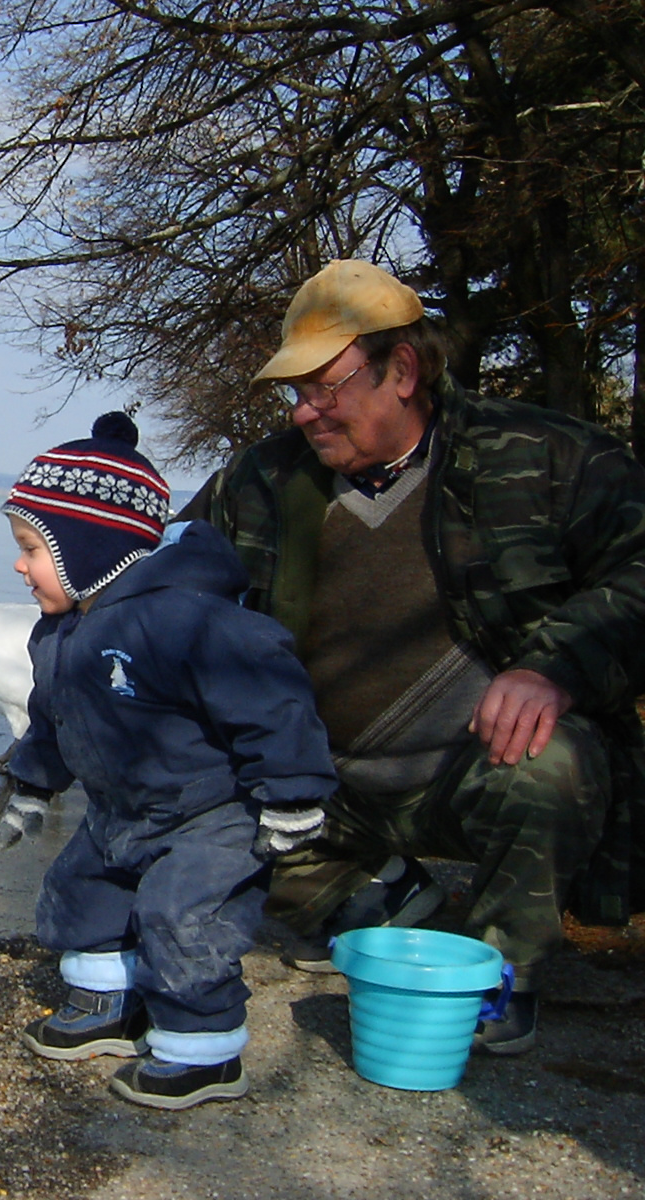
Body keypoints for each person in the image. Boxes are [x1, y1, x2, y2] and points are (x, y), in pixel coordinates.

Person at [179, 259, 645, 1056]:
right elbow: (170, 591)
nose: (304, 414)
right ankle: (377, 898)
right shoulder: (259, 482)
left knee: (550, 761)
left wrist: (554, 668)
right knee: (174, 777)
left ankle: (500, 973)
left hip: (472, 774)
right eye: (295, 394)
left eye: (325, 388)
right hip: (317, 787)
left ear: (403, 370)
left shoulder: (545, 458)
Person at [0, 412, 337, 1110]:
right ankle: (108, 1003)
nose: (18, 565)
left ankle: (202, 1051)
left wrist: (293, 793)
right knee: (80, 888)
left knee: (184, 915)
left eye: (31, 548)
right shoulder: (62, 633)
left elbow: (269, 692)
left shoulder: (184, 618)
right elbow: (51, 713)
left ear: (89, 548)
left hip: (207, 813)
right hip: (121, 807)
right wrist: (32, 785)